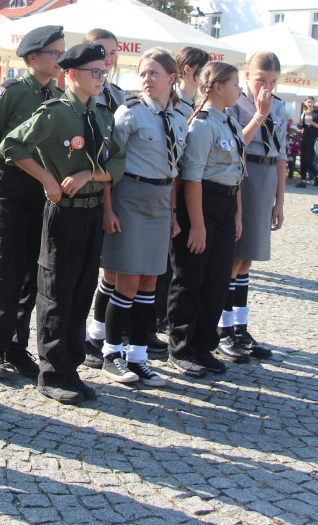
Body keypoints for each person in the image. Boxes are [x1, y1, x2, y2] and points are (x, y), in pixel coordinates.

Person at [1, 43, 126, 405]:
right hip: (64, 213)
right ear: (72, 75)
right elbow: (12, 145)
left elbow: (119, 161)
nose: (102, 78)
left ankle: (70, 368)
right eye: (95, 72)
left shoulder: (102, 115)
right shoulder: (56, 113)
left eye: (104, 72)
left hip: (90, 212)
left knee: (82, 290)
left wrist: (90, 173)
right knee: (57, 293)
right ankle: (52, 372)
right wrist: (46, 180)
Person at [96, 48, 185, 387]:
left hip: (160, 202)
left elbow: (173, 171)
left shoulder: (178, 119)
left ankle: (138, 356)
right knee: (128, 282)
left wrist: (173, 213)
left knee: (150, 282)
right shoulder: (129, 113)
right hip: (130, 198)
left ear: (171, 78)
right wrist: (108, 208)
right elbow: (108, 164)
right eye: (143, 73)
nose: (147, 79)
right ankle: (111, 353)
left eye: (154, 73)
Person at [0, 25, 65, 381]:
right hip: (11, 189)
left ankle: (17, 346)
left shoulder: (59, 96)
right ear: (33, 58)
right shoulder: (14, 92)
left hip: (44, 194)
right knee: (7, 272)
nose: (61, 59)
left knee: (33, 274)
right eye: (55, 54)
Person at [166, 62, 245, 378]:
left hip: (224, 205)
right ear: (217, 87)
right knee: (191, 278)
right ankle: (181, 348)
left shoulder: (230, 122)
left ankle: (203, 344)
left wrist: (236, 213)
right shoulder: (201, 125)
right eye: (235, 84)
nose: (240, 90)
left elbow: (237, 173)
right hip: (201, 204)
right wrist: (197, 225)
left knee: (217, 279)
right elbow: (193, 178)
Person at [220, 51, 285, 363]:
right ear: (247, 74)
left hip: (267, 176)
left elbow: (281, 154)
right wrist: (259, 114)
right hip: (244, 175)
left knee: (248, 260)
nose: (266, 87)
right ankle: (223, 328)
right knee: (234, 257)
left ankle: (241, 325)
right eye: (261, 79)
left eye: (273, 82)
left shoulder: (280, 106)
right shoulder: (235, 103)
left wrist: (280, 201)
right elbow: (235, 146)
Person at [295, 97, 318, 187]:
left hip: (313, 137)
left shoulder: (317, 113)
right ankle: (303, 180)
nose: (310, 103)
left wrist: (312, 123)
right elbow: (304, 126)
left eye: (311, 102)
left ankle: (317, 175)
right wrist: (301, 126)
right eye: (308, 102)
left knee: (308, 160)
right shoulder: (304, 113)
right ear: (305, 103)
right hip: (305, 136)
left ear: (314, 103)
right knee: (303, 159)